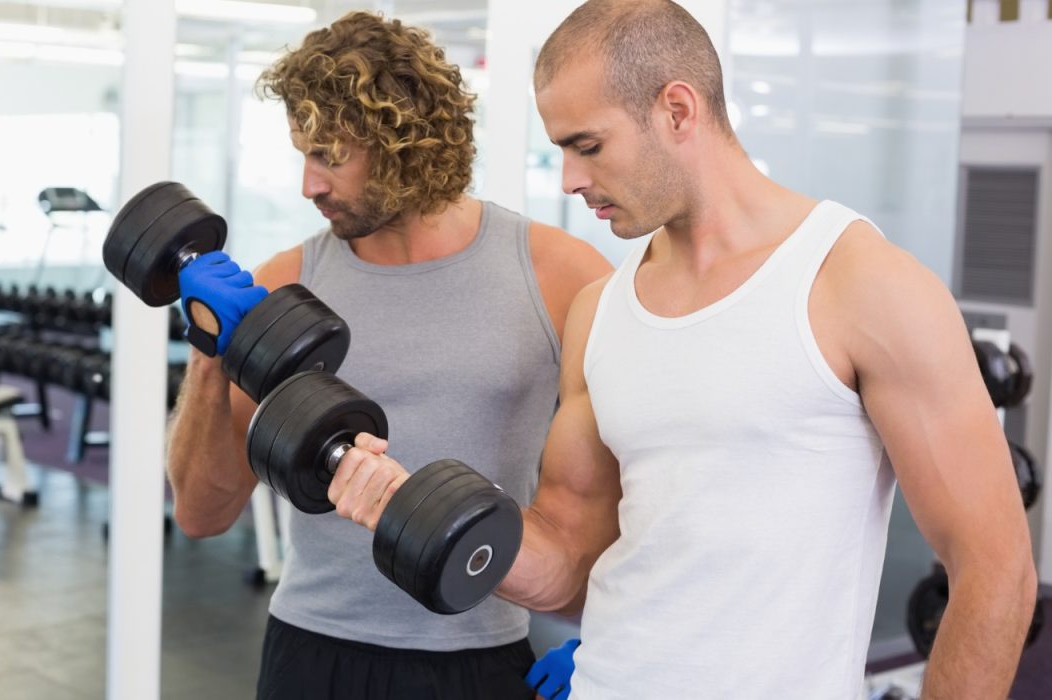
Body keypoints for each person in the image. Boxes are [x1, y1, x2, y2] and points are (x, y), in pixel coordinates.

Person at [327, 1, 1039, 697]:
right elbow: (570, 568)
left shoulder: (858, 284)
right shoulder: (599, 312)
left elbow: (994, 568)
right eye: (562, 151)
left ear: (676, 110)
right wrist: (418, 507)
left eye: (588, 145)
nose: (571, 179)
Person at [164, 10, 612, 700]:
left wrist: (609, 637)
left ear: (402, 141)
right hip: (312, 655)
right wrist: (207, 351)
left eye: (330, 156)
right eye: (302, 156)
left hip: (482, 653)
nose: (309, 185)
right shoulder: (287, 284)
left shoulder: (559, 275)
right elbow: (200, 511)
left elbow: (640, 482)